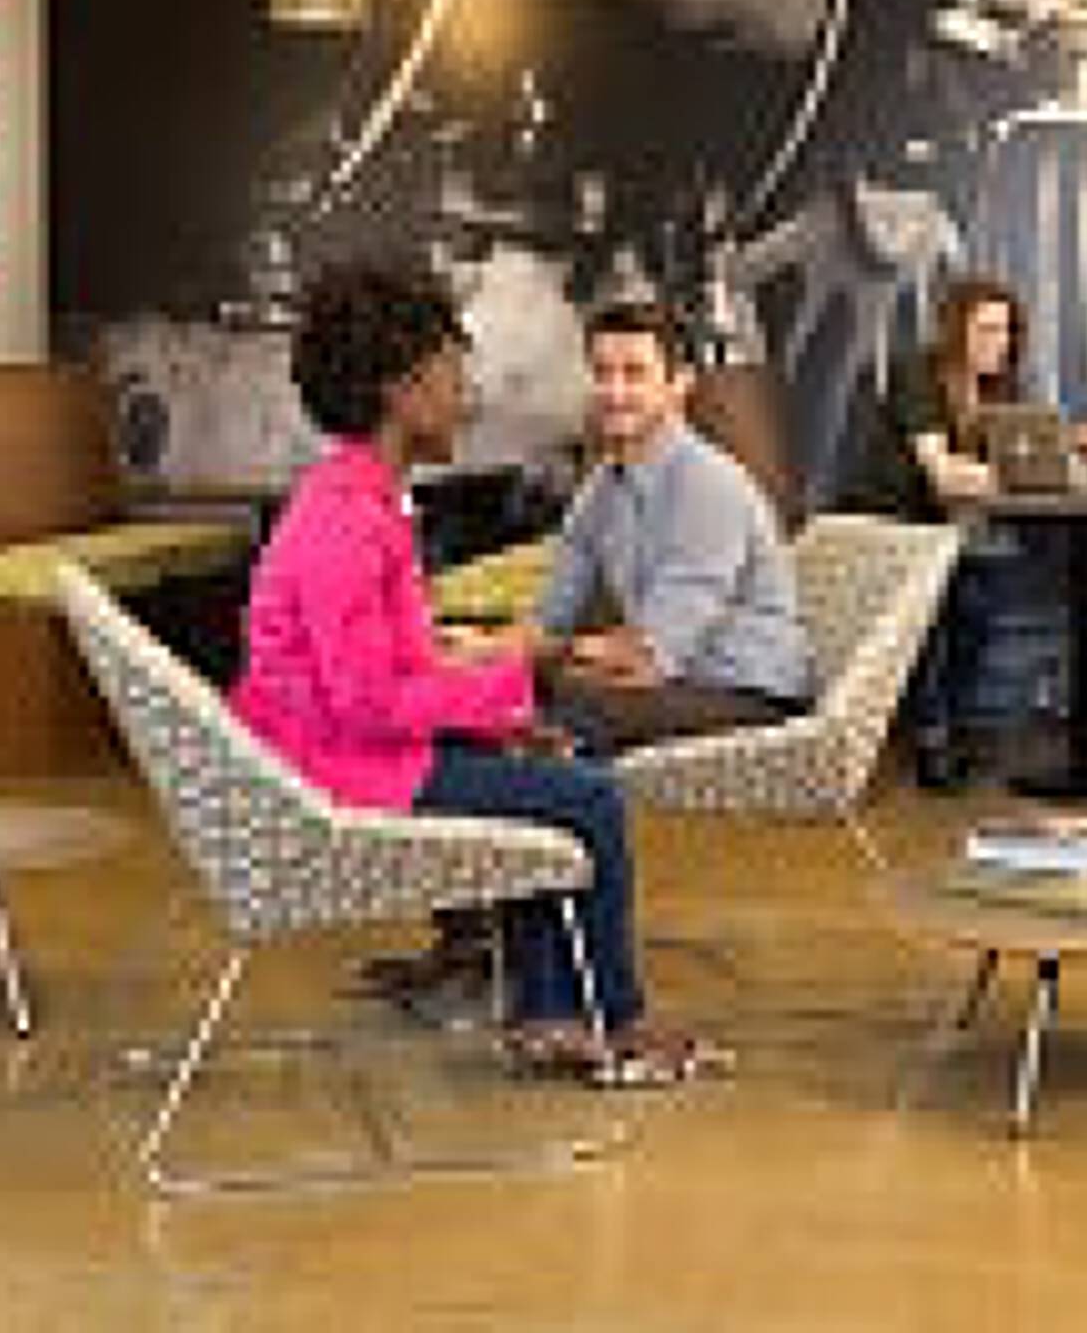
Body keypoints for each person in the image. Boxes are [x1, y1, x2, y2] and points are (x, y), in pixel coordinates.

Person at [230, 262, 720, 1085]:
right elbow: (368, 701)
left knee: (552, 769)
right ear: (403, 391)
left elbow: (396, 667)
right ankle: (611, 1020)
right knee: (591, 799)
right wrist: (508, 695)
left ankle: (551, 1013)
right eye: (454, 377)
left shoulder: (360, 496)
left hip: (340, 753)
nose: (467, 399)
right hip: (337, 772)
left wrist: (504, 722)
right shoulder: (345, 519)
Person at [532, 299, 812, 756]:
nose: (613, 392)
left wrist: (545, 654)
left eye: (634, 374)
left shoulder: (708, 487)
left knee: (569, 709)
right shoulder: (602, 487)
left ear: (679, 383)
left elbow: (648, 657)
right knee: (508, 689)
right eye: (602, 373)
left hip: (748, 692)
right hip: (671, 677)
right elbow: (548, 618)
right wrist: (479, 651)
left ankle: (558, 792)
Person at [844, 275, 1051, 791]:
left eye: (1006, 331)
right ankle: (932, 739)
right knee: (937, 616)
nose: (999, 343)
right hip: (897, 528)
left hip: (949, 532)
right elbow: (942, 473)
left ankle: (952, 731)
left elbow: (1016, 458)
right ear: (957, 332)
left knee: (977, 605)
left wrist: (1047, 465)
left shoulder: (1002, 387)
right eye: (986, 330)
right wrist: (1021, 475)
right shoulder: (920, 373)